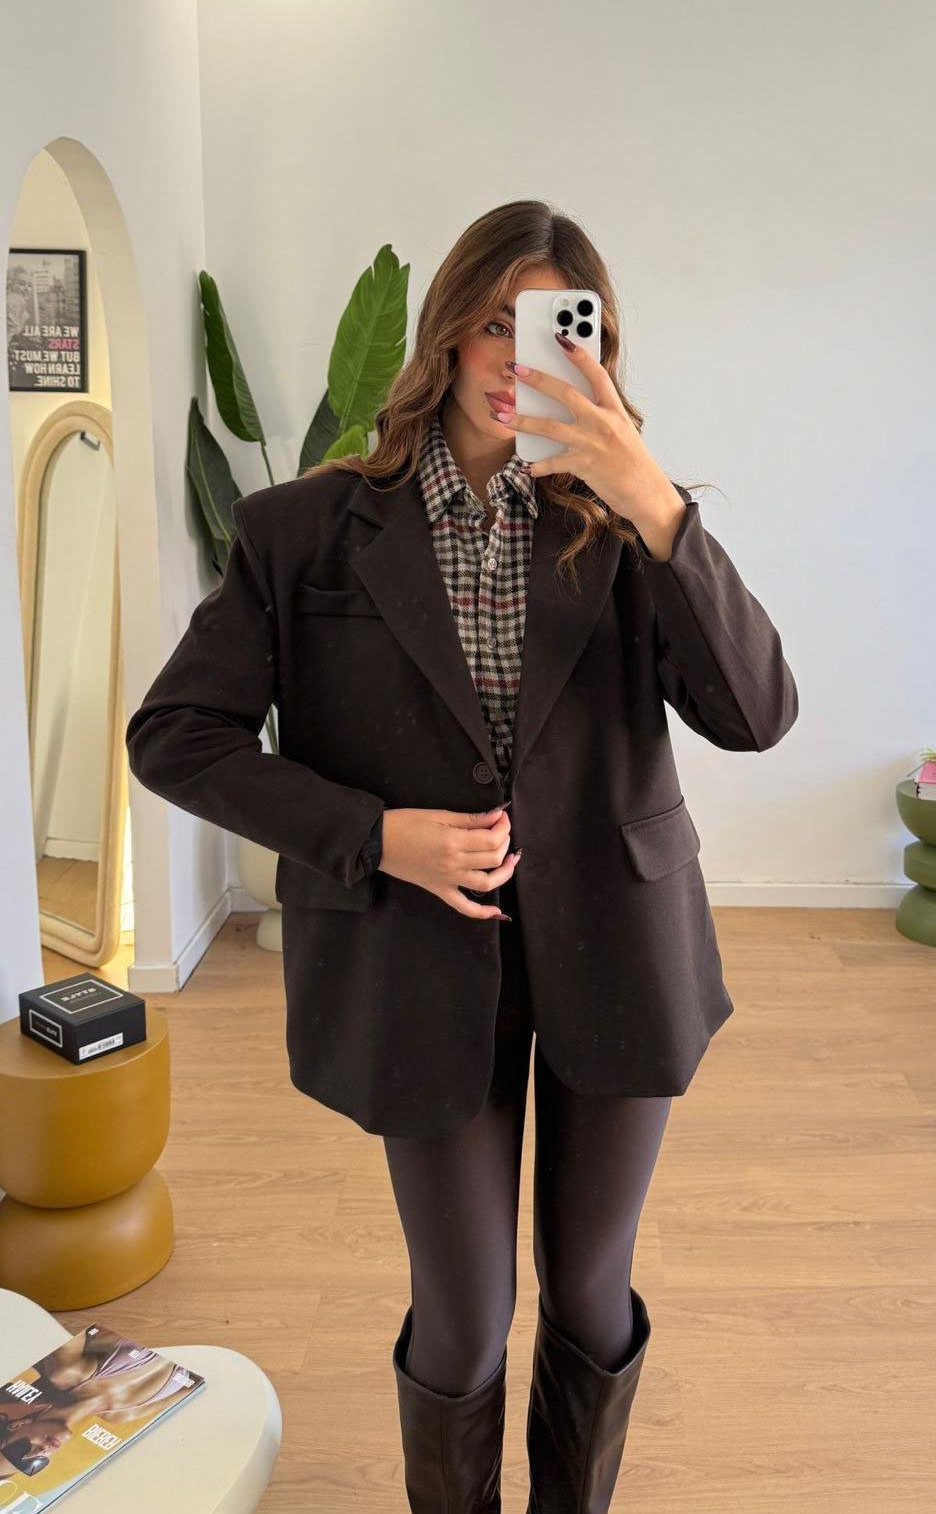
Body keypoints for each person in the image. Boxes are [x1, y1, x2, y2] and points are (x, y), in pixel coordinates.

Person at [126, 198, 799, 1512]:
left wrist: (655, 501)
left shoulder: (630, 528)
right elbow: (176, 736)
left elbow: (758, 712)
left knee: (591, 1287)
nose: (516, 356)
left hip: (617, 939)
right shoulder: (302, 530)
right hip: (413, 958)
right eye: (495, 321)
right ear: (446, 329)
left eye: (555, 328)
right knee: (465, 1306)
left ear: (597, 348)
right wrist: (372, 836)